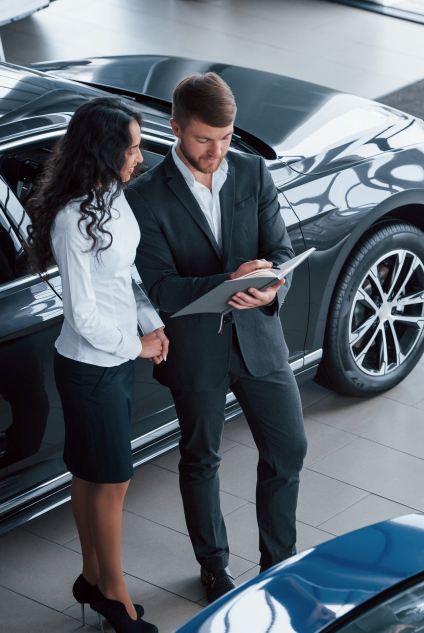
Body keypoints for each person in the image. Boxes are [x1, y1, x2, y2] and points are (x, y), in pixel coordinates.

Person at [127, 73, 308, 602]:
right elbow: (159, 286)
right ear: (177, 128)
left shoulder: (253, 172)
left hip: (258, 337)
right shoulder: (144, 196)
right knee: (201, 457)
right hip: (195, 348)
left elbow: (279, 249)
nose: (217, 150)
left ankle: (278, 564)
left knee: (288, 448)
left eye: (225, 138)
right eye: (205, 138)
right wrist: (227, 283)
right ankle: (214, 568)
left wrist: (270, 288)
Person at [25, 96, 168, 633]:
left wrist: (150, 323)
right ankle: (115, 594)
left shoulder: (114, 197)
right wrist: (136, 347)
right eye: (131, 147)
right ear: (104, 151)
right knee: (112, 481)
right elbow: (82, 312)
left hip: (114, 357)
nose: (140, 155)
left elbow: (125, 278)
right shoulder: (70, 219)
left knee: (90, 475)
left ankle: (91, 577)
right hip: (90, 367)